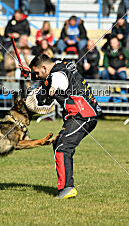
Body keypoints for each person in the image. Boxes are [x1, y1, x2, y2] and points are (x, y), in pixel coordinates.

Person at [29, 54, 102, 199]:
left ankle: (67, 188)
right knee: (59, 144)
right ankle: (67, 186)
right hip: (84, 114)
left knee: (62, 148)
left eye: (37, 73)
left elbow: (58, 78)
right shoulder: (60, 64)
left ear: (44, 67)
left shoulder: (56, 75)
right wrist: (30, 71)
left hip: (82, 115)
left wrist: (53, 87)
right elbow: (52, 73)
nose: (37, 76)